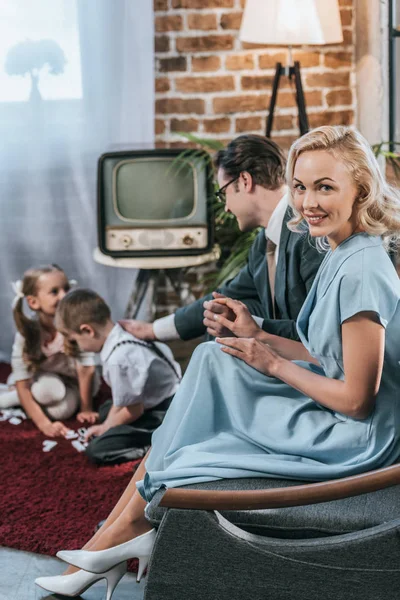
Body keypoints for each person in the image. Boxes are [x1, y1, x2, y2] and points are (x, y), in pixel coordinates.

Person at [35, 125, 400, 599]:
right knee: (212, 356)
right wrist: (258, 334)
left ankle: (121, 532)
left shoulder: (362, 269)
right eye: (301, 187)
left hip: (359, 440)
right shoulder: (337, 248)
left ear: (361, 190)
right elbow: (327, 354)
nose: (308, 202)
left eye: (325, 187)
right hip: (342, 412)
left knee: (203, 409)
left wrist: (270, 362)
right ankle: (124, 530)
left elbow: (355, 401)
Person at [120, 134, 324, 345]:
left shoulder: (308, 233)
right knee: (220, 313)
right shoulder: (264, 243)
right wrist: (153, 329)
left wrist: (253, 327)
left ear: (245, 181)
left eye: (223, 193)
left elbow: (321, 332)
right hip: (281, 352)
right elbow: (223, 296)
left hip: (312, 365)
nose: (225, 207)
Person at [55, 288, 181, 465]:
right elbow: (124, 401)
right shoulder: (123, 331)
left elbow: (133, 410)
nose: (76, 346)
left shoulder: (118, 360)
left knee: (97, 450)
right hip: (159, 397)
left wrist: (105, 428)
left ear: (88, 330)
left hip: (168, 410)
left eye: (74, 340)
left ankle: (153, 448)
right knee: (106, 410)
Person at [1, 264, 98, 438]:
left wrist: (86, 408)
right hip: (46, 376)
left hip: (75, 381)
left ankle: (20, 397)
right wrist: (44, 424)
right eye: (54, 292)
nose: (64, 295)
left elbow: (86, 369)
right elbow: (23, 384)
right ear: (33, 302)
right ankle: (16, 396)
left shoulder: (76, 324)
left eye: (66, 288)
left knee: (61, 411)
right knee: (48, 391)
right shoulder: (28, 333)